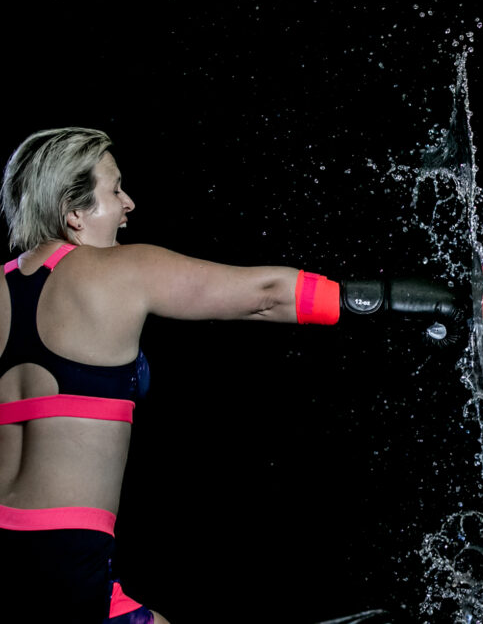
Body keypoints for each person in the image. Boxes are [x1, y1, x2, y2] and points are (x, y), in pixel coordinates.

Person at [0, 127, 458, 623]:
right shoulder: (120, 271)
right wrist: (404, 299)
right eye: (114, 190)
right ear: (74, 210)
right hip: (68, 557)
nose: (128, 203)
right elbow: (266, 294)